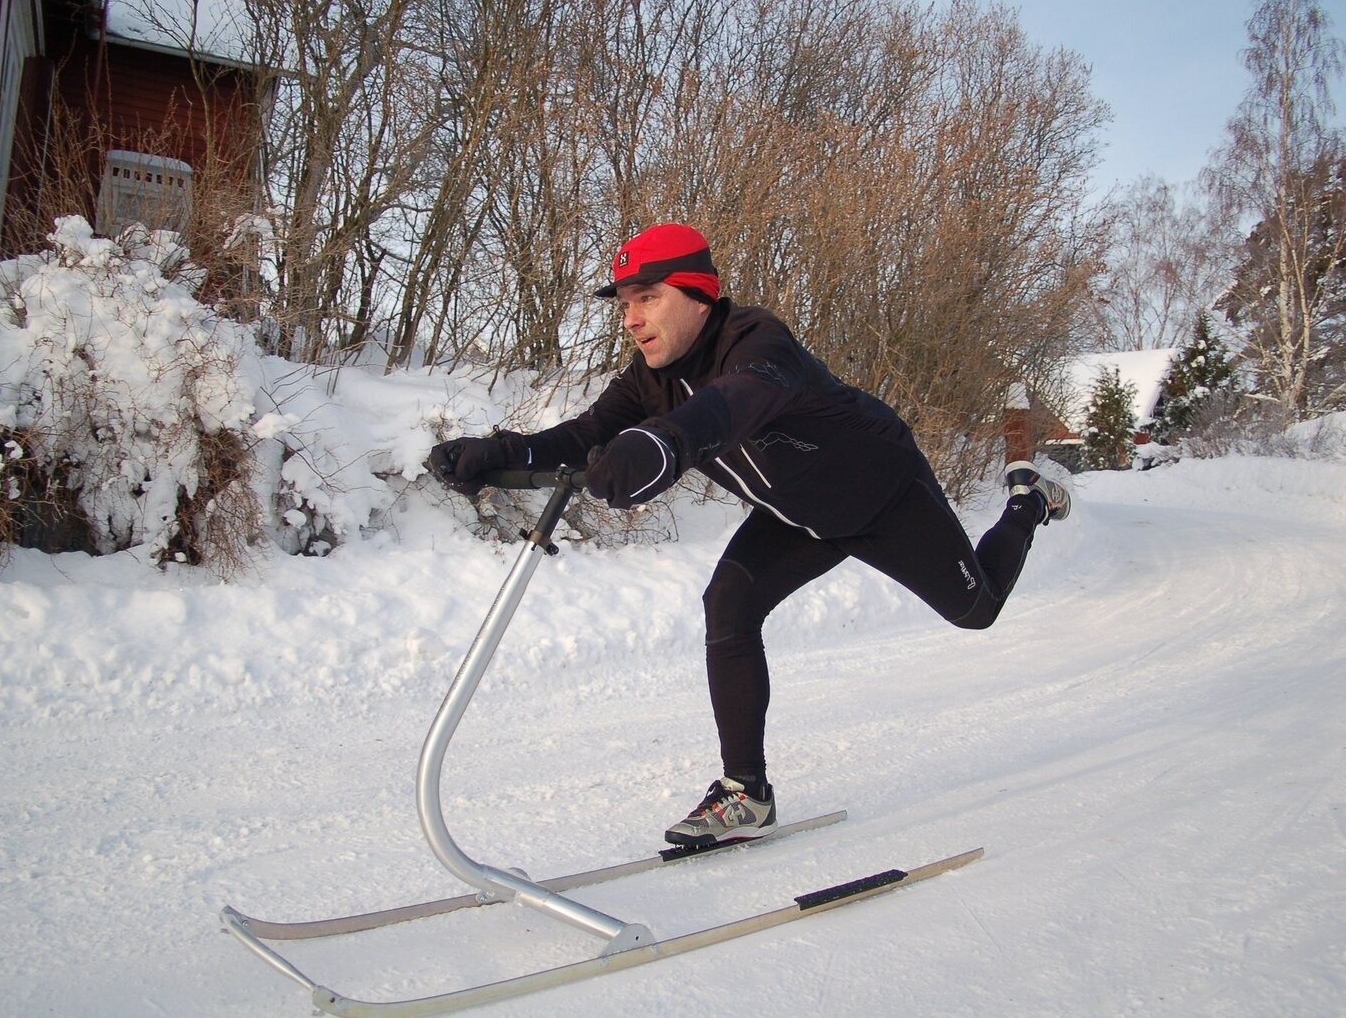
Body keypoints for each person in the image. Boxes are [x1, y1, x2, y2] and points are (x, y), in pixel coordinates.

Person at [429, 223, 1069, 848]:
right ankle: (746, 793)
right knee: (728, 603)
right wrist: (497, 452)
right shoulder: (649, 379)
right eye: (624, 304)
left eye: (647, 298)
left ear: (698, 292)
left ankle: (1028, 500)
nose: (631, 318)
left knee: (977, 610)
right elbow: (584, 434)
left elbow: (732, 402)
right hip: (796, 516)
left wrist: (666, 442)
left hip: (883, 497)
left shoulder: (760, 344)